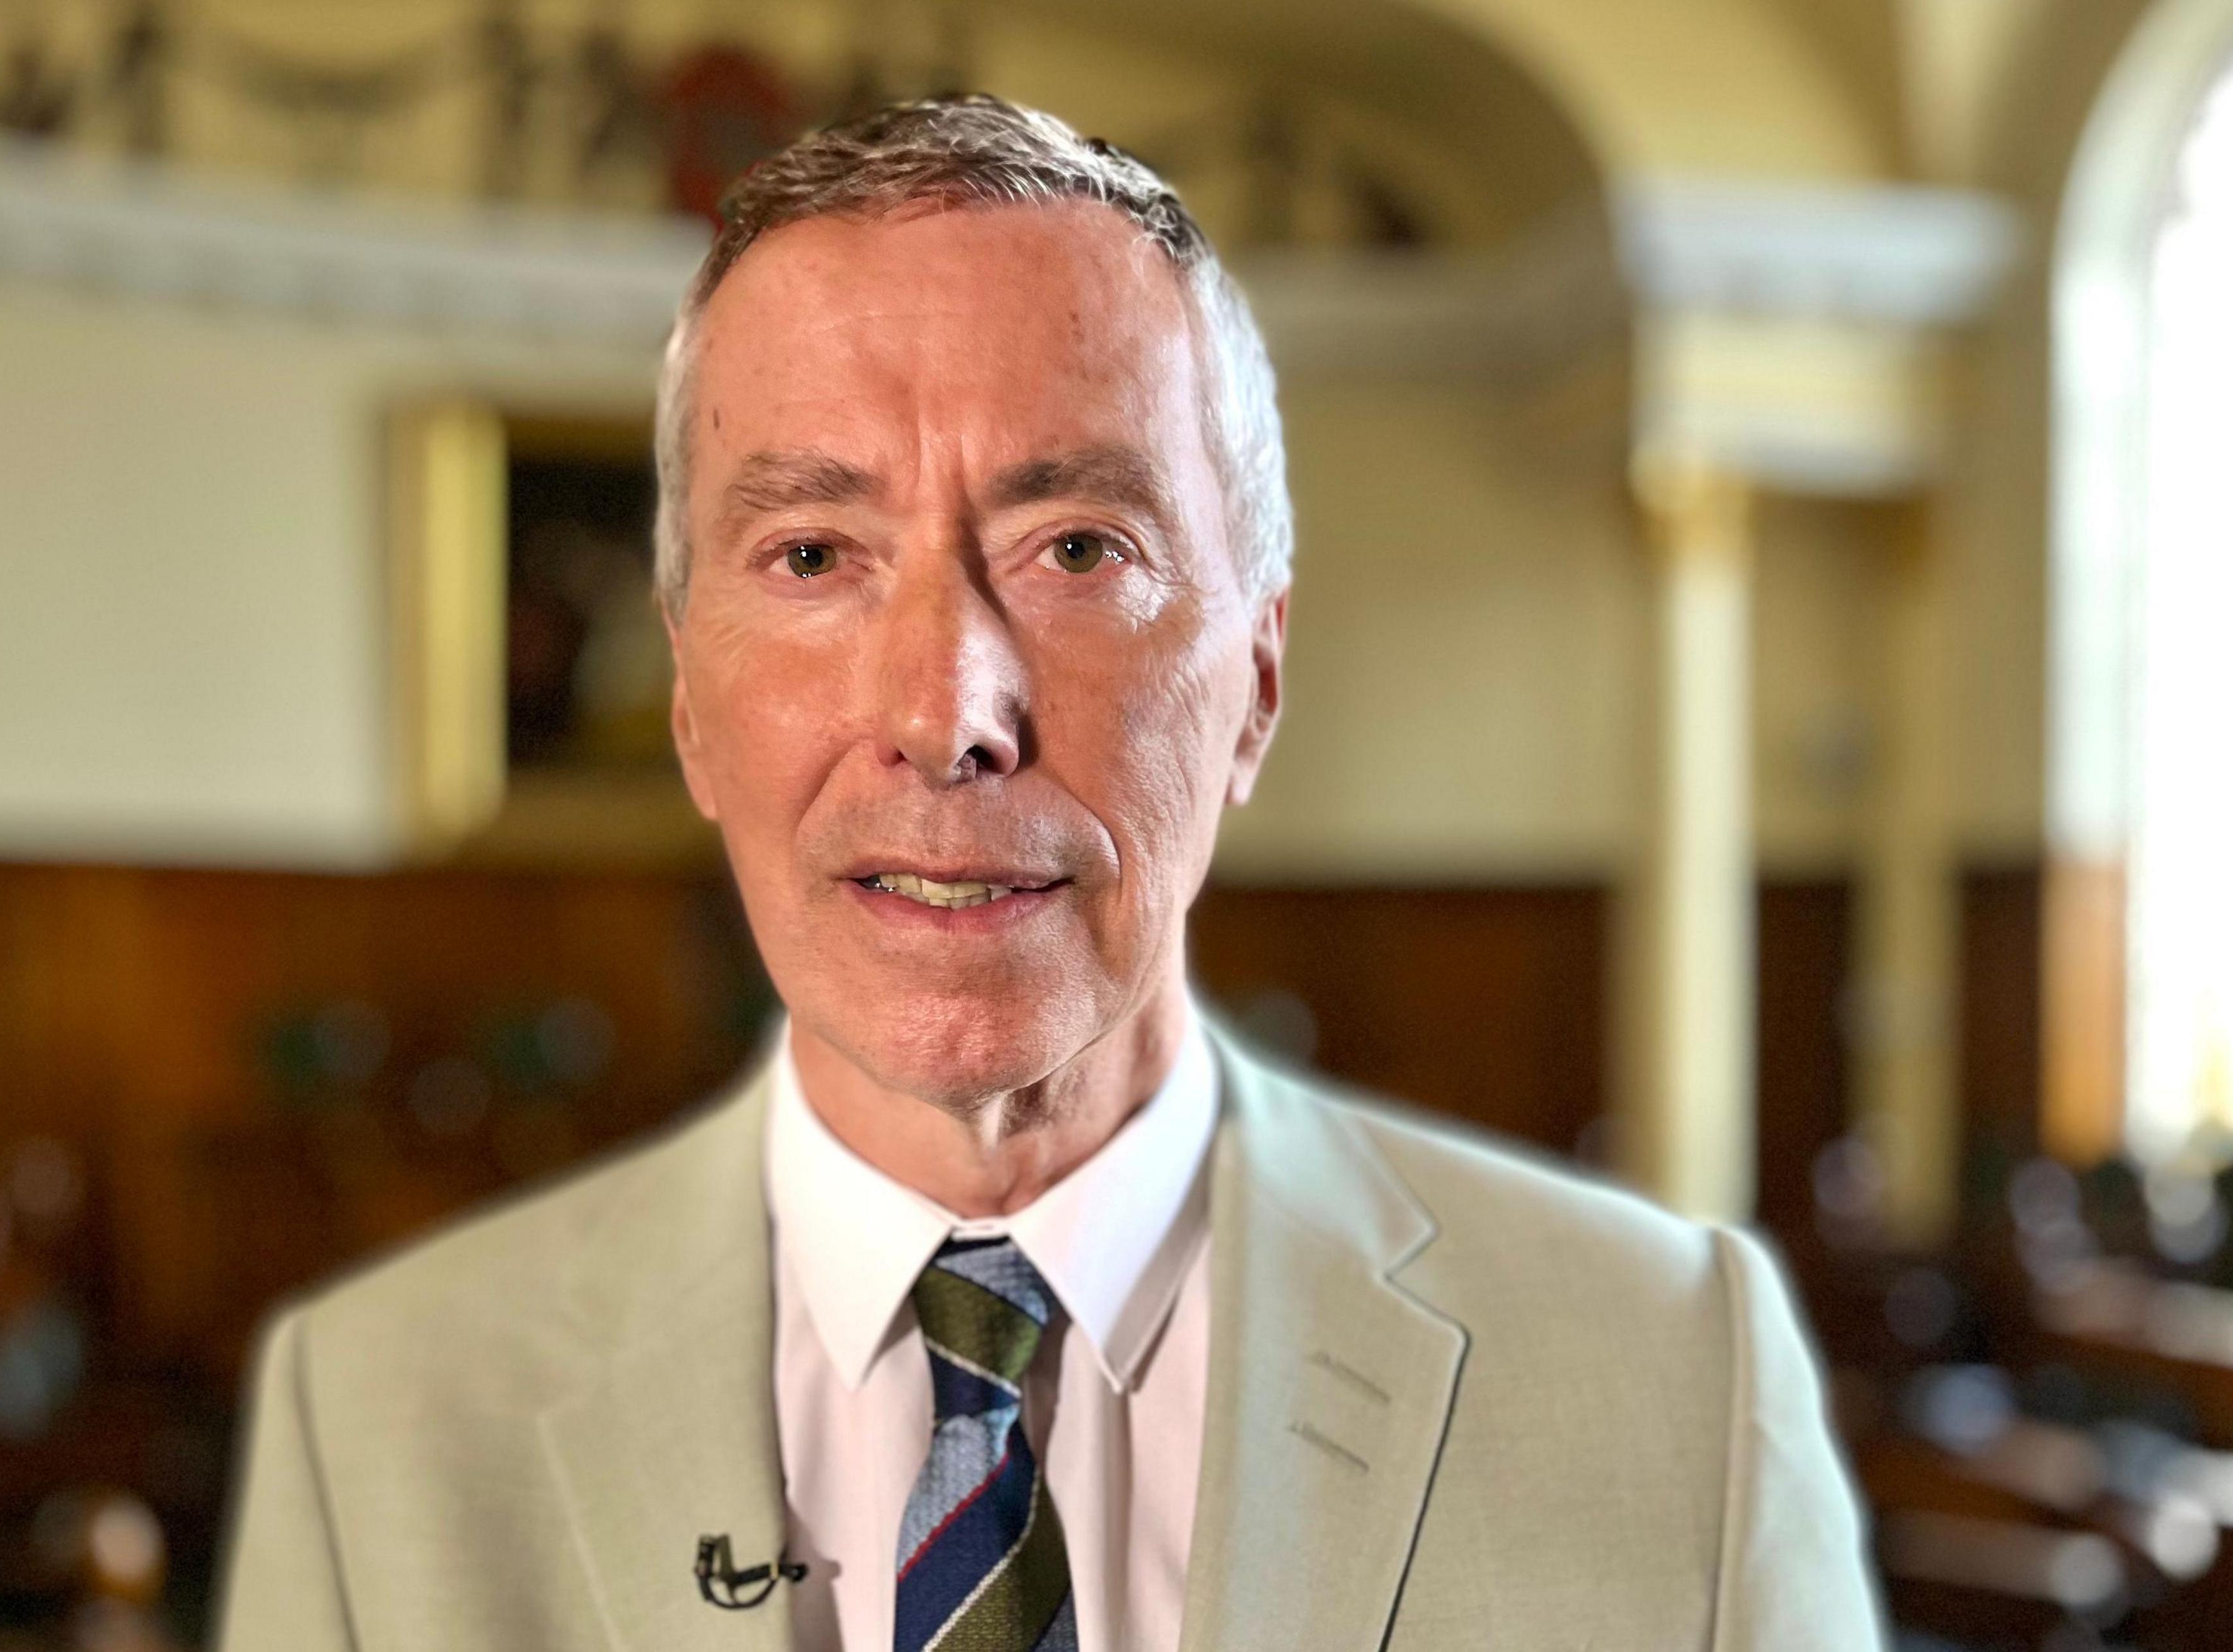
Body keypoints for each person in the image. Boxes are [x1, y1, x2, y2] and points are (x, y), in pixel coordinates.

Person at [215, 95, 1880, 1652]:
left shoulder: (1679, 1379)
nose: (947, 717)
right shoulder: (373, 1428)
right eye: (814, 556)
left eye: (1078, 550)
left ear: (1259, 686)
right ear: (690, 707)